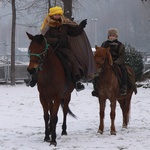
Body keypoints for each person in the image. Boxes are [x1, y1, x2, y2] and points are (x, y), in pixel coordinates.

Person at [25, 6, 96, 91]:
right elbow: (45, 38)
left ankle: (76, 81)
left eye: (59, 14)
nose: (57, 16)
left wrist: (81, 26)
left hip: (63, 49)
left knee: (72, 58)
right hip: (51, 49)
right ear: (52, 15)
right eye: (56, 14)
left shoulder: (65, 26)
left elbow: (74, 33)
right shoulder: (48, 26)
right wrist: (56, 41)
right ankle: (33, 78)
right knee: (39, 60)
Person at [92, 28, 127, 96]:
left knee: (124, 70)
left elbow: (122, 56)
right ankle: (96, 88)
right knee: (97, 72)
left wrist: (116, 62)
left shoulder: (120, 45)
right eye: (110, 35)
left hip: (117, 62)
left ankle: (123, 86)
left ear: (116, 36)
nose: (111, 37)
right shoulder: (104, 44)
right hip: (105, 63)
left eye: (113, 35)